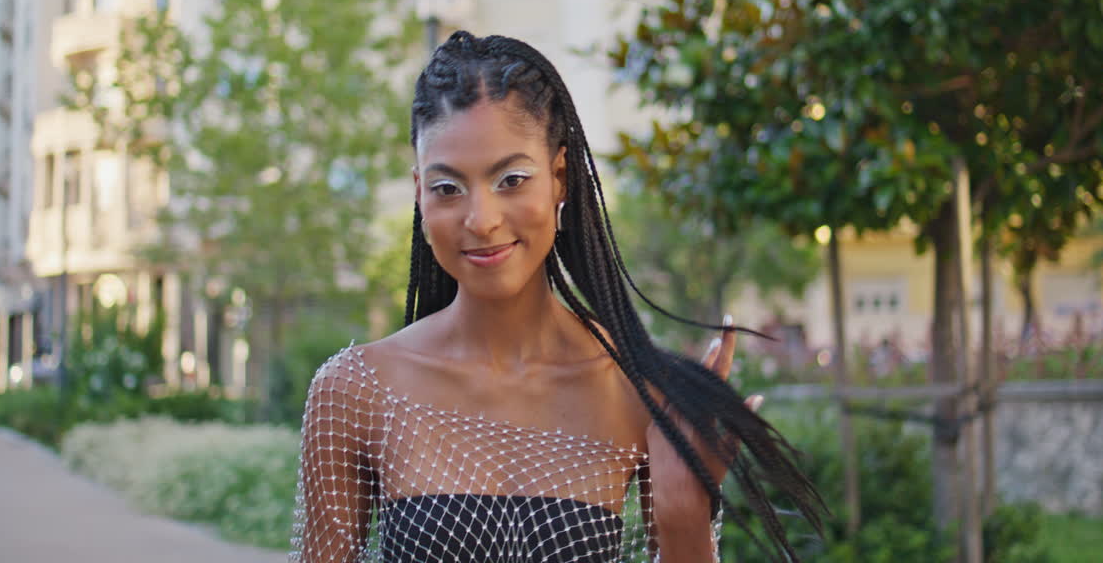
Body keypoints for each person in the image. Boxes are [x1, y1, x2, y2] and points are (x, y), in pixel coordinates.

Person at [292, 33, 825, 562]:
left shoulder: (635, 389)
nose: (481, 219)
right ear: (418, 194)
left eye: (511, 179)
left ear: (560, 178)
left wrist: (685, 517)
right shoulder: (356, 391)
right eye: (447, 188)